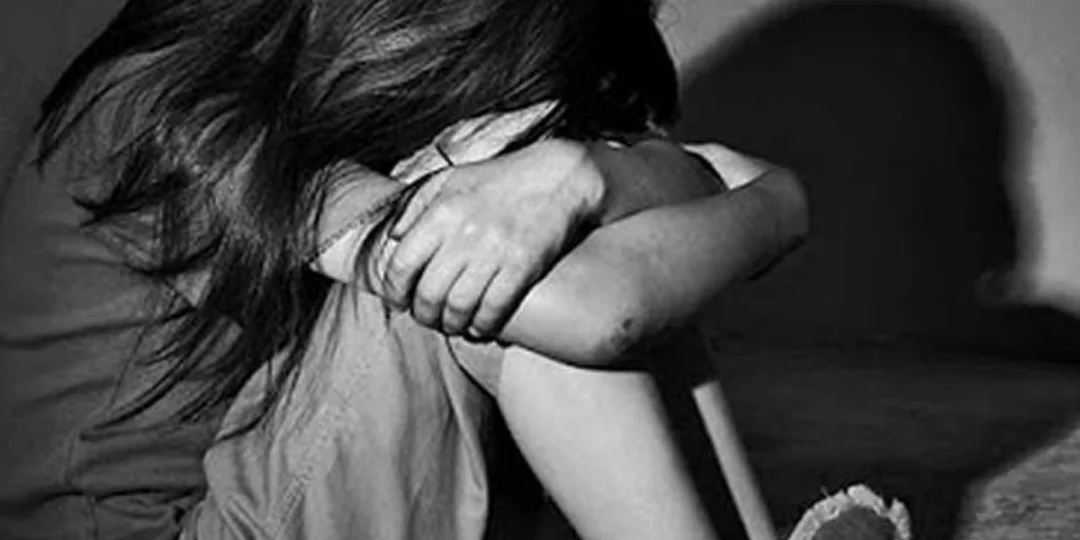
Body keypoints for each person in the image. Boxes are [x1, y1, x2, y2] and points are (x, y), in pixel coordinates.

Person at [0, 0, 806, 539]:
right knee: (479, 261)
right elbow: (596, 312)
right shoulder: (176, 111)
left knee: (510, 228)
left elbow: (647, 223)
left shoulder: (320, 98)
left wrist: (589, 175)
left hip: (248, 494)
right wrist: (774, 206)